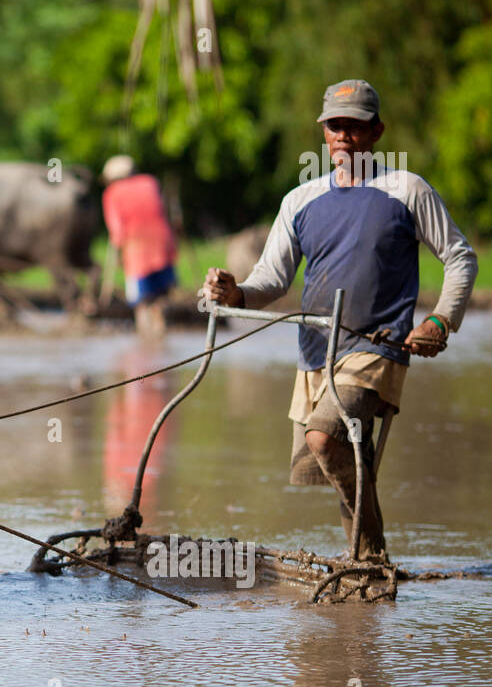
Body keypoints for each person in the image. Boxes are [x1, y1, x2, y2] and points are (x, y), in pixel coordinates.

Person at [202, 79, 478, 559]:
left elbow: (459, 256)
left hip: (378, 348)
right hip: (316, 355)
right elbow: (273, 279)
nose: (344, 136)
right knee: (341, 455)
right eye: (335, 126)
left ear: (376, 132)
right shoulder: (300, 200)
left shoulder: (406, 190)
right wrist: (237, 291)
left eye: (355, 126)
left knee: (325, 439)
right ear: (323, 134)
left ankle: (371, 554)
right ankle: (364, 572)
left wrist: (440, 321)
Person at [101, 155, 178, 337]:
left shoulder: (112, 192)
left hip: (136, 248)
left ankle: (145, 334)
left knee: (140, 301)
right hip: (163, 244)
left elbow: (117, 230)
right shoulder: (150, 182)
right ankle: (161, 329)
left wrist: (119, 252)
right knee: (160, 295)